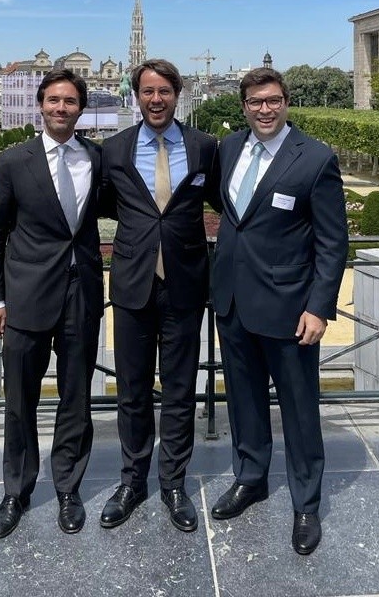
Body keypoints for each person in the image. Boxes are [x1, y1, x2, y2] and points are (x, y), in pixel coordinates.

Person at [211, 67, 348, 555]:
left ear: (286, 102)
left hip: (291, 308)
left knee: (299, 408)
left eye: (272, 100)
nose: (264, 109)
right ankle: (250, 478)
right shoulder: (229, 149)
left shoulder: (314, 157)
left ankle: (306, 502)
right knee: (243, 400)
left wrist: (319, 307)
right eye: (254, 102)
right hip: (231, 300)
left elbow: (333, 243)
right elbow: (234, 217)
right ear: (243, 106)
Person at [0, 69, 104, 539]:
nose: (60, 108)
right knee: (20, 400)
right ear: (41, 105)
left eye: (70, 101)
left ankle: (68, 487)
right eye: (53, 100)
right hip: (26, 297)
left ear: (80, 107)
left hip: (81, 294)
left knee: (76, 397)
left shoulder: (95, 156)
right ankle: (17, 490)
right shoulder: (14, 161)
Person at [100, 59, 220, 533]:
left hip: (186, 285)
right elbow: (109, 202)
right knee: (131, 389)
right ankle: (132, 480)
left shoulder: (203, 147)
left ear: (176, 94)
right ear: (136, 96)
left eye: (164, 91)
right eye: (147, 91)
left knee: (178, 389)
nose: (156, 99)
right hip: (132, 284)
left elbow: (220, 199)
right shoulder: (113, 150)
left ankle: (173, 482)